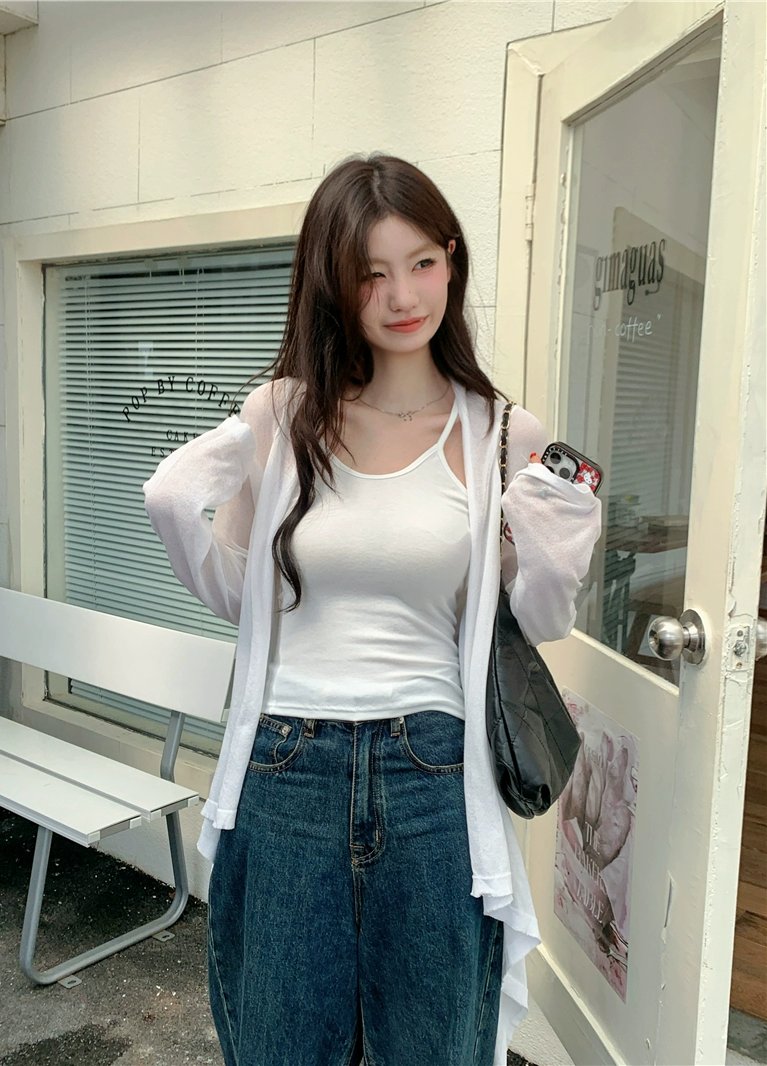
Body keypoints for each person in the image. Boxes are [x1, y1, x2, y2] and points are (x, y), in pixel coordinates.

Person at [143, 152, 602, 1066]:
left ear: (451, 260)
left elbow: (540, 621)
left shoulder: (503, 432)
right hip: (287, 765)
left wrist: (557, 548)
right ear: (333, 283)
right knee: (278, 1046)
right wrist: (179, 506)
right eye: (371, 273)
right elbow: (243, 597)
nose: (402, 296)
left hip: (434, 772)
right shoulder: (282, 414)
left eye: (422, 262)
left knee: (431, 1048)